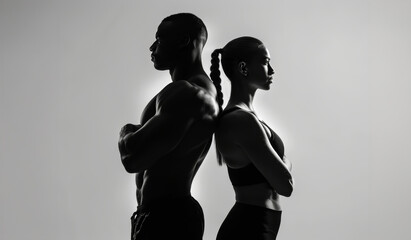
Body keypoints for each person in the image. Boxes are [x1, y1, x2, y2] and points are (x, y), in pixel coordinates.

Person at [118, 13, 220, 240]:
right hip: (156, 217)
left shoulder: (186, 93)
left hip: (169, 219)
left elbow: (133, 158)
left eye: (160, 39)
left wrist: (126, 130)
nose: (152, 47)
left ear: (183, 41)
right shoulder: (184, 93)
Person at [210, 36, 294, 240]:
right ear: (243, 68)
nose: (272, 70)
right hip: (248, 228)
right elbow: (285, 185)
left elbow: (280, 177)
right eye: (265, 62)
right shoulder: (241, 120)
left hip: (259, 224)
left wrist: (280, 165)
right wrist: (285, 162)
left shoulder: (249, 119)